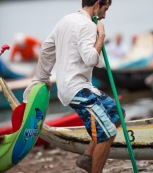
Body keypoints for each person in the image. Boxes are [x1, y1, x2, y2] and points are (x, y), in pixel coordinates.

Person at [12, 0, 126, 172]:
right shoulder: (88, 25)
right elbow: (90, 59)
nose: (104, 16)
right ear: (96, 4)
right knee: (108, 133)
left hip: (79, 87)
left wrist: (43, 77)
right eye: (105, 9)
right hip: (77, 89)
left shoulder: (65, 20)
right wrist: (101, 36)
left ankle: (88, 156)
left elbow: (46, 49)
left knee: (117, 114)